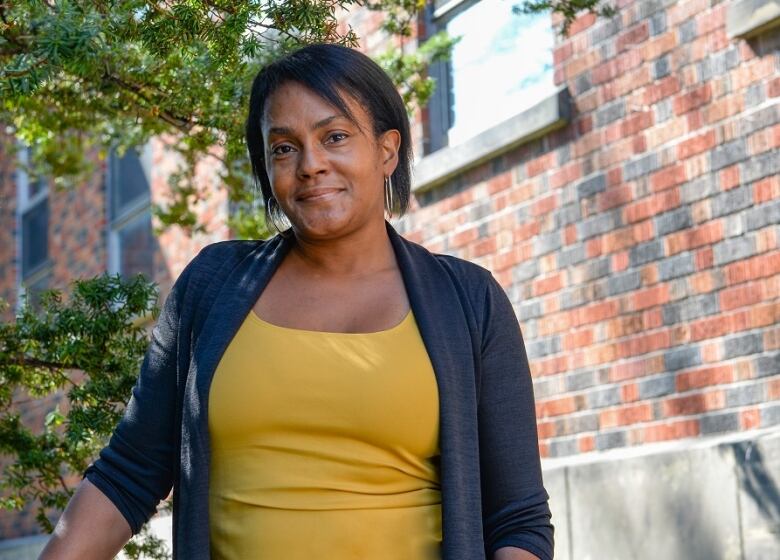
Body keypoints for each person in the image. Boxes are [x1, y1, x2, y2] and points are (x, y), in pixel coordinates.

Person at [39, 43, 553, 560]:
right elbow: (128, 473)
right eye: (284, 148)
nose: (310, 165)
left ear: (387, 150)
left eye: (335, 137)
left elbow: (517, 519)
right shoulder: (214, 288)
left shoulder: (469, 302)